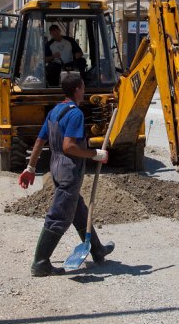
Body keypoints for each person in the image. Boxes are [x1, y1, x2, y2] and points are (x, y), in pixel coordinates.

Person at [17, 75, 114, 276]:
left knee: (78, 211)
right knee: (59, 216)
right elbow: (69, 146)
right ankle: (40, 263)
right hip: (69, 170)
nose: (85, 90)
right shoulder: (75, 114)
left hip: (56, 167)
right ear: (78, 89)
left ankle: (97, 250)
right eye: (83, 86)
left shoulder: (55, 111)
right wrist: (95, 154)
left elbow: (39, 141)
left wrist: (31, 168)